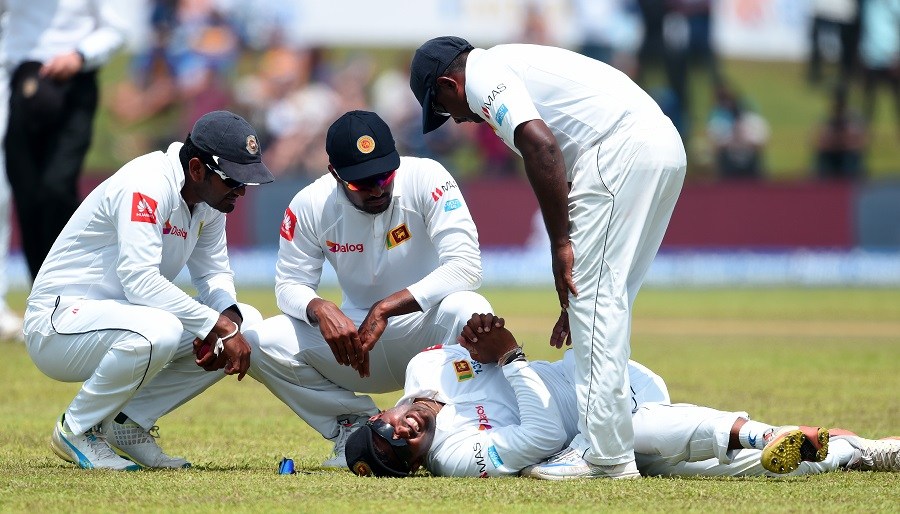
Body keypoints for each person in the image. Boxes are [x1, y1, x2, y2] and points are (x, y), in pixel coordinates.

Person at [113, 110, 492, 470]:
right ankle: (352, 428)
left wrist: (386, 308)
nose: (377, 190)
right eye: (362, 182)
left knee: (469, 307)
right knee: (255, 336)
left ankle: (463, 431)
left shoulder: (428, 177)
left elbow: (465, 265)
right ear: (335, 173)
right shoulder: (310, 204)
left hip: (429, 333)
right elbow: (290, 286)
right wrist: (317, 306)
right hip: (358, 347)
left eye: (385, 176)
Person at [409, 36, 687, 479]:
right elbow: (560, 161)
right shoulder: (514, 63)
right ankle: (599, 438)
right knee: (602, 302)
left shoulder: (483, 75)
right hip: (662, 146)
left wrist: (560, 244)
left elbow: (541, 147)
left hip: (621, 149)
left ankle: (604, 455)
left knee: (597, 304)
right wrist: (572, 297)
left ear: (448, 83)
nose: (457, 121)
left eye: (443, 108)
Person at [345, 313, 900, 478]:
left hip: (606, 382)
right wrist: (510, 357)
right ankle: (860, 451)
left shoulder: (425, 363)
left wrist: (481, 329)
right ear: (414, 466)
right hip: (591, 444)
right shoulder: (455, 459)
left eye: (385, 431)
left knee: (621, 432)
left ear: (380, 414)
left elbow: (472, 318)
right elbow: (539, 432)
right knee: (735, 472)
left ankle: (761, 432)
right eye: (399, 454)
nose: (402, 435)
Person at [23, 110, 274, 470]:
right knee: (163, 329)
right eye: (234, 181)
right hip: (58, 323)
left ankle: (128, 424)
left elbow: (214, 273)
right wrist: (216, 326)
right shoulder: (146, 183)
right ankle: (77, 428)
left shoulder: (210, 198)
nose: (241, 191)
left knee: (246, 321)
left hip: (123, 318)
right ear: (198, 169)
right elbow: (139, 282)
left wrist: (228, 320)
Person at [0, 0, 129, 281]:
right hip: (19, 81)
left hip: (74, 82)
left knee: (57, 187)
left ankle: (74, 280)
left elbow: (117, 30)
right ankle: (44, 291)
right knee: (26, 194)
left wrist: (80, 56)